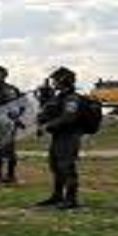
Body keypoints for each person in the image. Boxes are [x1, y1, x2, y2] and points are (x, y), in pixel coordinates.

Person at [36, 67, 85, 210]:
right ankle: (57, 196)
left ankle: (71, 199)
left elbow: (69, 117)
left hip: (69, 136)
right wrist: (44, 99)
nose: (53, 83)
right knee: (55, 166)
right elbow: (47, 112)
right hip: (58, 136)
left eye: (55, 80)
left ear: (63, 80)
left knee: (66, 166)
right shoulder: (59, 97)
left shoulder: (72, 98)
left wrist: (48, 126)